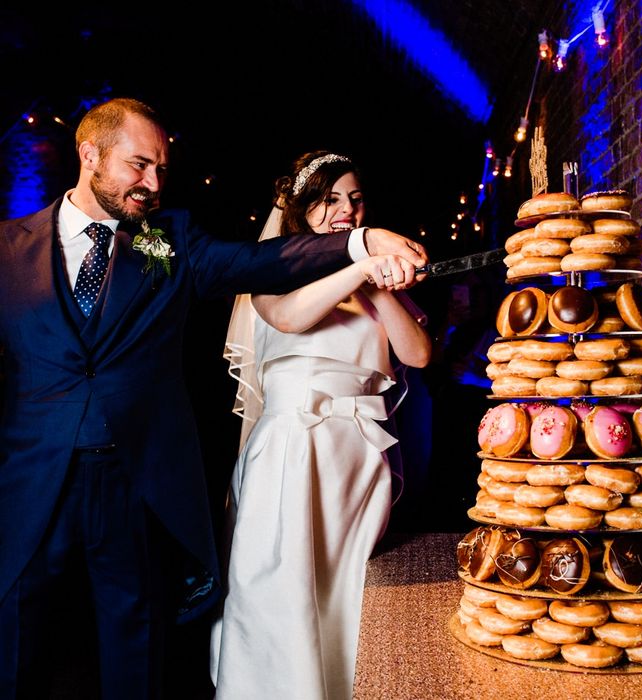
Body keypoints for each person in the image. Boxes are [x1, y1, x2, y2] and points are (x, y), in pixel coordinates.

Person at [0, 99, 428, 699]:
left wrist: (360, 245)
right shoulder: (7, 248)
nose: (153, 184)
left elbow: (266, 259)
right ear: (89, 154)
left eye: (162, 170)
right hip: (28, 490)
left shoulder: (170, 239)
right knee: (15, 652)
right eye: (139, 166)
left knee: (136, 656)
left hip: (134, 487)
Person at [209, 151, 432, 699]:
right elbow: (288, 317)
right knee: (279, 594)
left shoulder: (374, 284)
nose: (345, 211)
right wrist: (358, 265)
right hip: (293, 450)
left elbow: (419, 354)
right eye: (330, 200)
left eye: (354, 200)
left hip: (359, 457)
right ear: (302, 209)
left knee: (348, 595)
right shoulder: (270, 270)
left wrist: (378, 286)